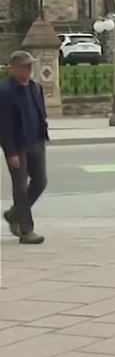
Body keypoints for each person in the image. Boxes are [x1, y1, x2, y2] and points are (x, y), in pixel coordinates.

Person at [0, 50, 50, 245]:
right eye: (24, 66)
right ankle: (26, 231)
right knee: (20, 187)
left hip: (36, 142)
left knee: (40, 181)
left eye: (30, 65)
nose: (29, 69)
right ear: (13, 69)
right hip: (17, 146)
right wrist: (10, 151)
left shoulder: (35, 87)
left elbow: (40, 113)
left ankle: (14, 214)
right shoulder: (5, 92)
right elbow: (3, 125)